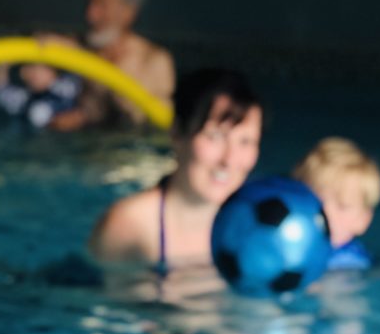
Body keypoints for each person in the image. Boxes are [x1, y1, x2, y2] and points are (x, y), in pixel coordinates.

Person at [89, 68, 263, 274]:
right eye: (214, 136)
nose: (229, 159)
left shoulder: (260, 223)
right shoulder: (129, 224)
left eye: (245, 141)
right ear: (177, 134)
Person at [50, 0, 175, 131]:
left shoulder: (154, 62)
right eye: (90, 2)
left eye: (102, 5)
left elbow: (158, 126)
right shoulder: (79, 47)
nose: (90, 15)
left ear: (128, 12)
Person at [292, 137, 380, 271]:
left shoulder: (351, 262)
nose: (327, 213)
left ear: (363, 220)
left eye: (342, 206)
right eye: (318, 201)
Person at [0, 62, 82, 129]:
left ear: (52, 71)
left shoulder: (69, 85)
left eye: (39, 68)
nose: (34, 73)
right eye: (29, 68)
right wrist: (3, 64)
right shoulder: (22, 99)